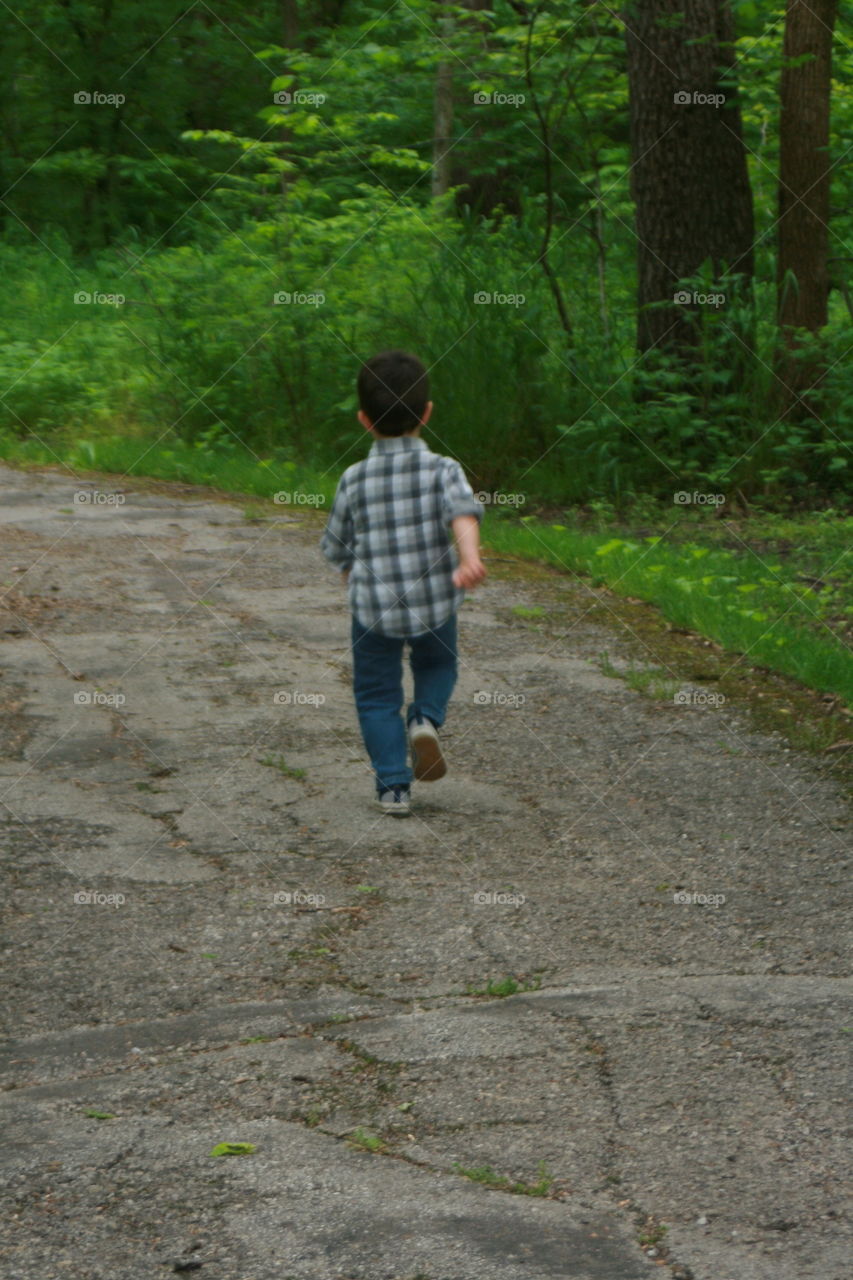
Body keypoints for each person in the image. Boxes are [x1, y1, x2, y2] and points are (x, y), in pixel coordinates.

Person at [321, 349, 486, 816]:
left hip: (374, 609)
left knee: (375, 696)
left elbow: (337, 543)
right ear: (427, 413)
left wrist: (350, 571)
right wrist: (469, 559)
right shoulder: (443, 469)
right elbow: (462, 513)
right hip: (435, 601)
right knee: (438, 666)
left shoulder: (353, 479)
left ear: (363, 420)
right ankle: (425, 718)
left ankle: (393, 787)